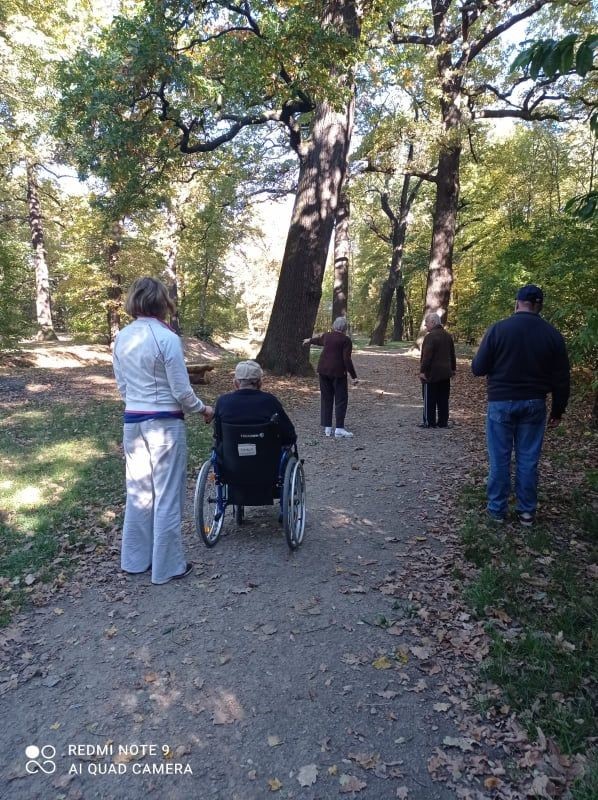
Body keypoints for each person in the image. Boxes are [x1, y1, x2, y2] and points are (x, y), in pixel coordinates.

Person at [113, 277, 213, 584]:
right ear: (162, 304)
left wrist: (137, 404)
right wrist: (204, 409)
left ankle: (134, 560)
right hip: (165, 425)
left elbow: (123, 386)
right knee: (167, 495)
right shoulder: (167, 338)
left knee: (139, 492)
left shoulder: (122, 338)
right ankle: (168, 567)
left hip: (133, 422)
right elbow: (181, 391)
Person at [472, 284, 570, 526]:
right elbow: (561, 378)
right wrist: (558, 410)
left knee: (500, 459)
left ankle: (497, 510)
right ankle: (526, 512)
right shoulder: (552, 335)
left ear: (517, 303)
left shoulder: (498, 330)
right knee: (528, 459)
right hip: (534, 404)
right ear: (540, 306)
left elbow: (478, 368)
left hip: (501, 403)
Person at [214, 360, 297, 445]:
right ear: (260, 383)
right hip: (268, 456)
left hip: (230, 456)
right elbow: (290, 435)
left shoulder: (223, 402)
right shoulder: (270, 401)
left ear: (235, 382)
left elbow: (218, 435)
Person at [303, 317, 358, 438]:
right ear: (345, 328)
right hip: (338, 373)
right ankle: (339, 428)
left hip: (323, 370)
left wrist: (309, 340)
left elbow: (319, 340)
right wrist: (353, 376)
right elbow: (346, 359)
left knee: (326, 398)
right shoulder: (346, 340)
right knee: (341, 399)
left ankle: (327, 427)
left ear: (334, 326)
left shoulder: (327, 336)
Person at [419, 312, 456, 428]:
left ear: (433, 322)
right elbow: (452, 354)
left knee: (429, 398)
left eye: (427, 323)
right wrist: (453, 369)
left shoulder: (430, 337)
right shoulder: (447, 336)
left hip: (432, 374)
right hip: (445, 373)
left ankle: (429, 422)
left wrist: (423, 371)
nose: (425, 326)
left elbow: (427, 356)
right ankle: (443, 422)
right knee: (443, 399)